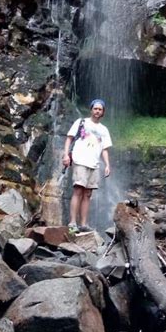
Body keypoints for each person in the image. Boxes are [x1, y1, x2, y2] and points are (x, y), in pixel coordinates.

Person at [63, 99, 112, 233]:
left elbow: (105, 149)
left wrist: (107, 165)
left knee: (88, 194)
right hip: (80, 160)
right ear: (91, 110)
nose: (97, 111)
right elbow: (69, 138)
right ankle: (72, 222)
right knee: (78, 190)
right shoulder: (81, 122)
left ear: (103, 112)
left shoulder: (104, 130)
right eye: (95, 108)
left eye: (100, 109)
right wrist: (66, 155)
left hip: (94, 164)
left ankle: (83, 223)